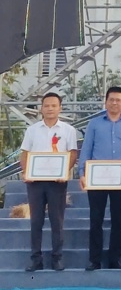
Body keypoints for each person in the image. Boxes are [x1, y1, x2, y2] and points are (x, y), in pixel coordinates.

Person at [78, 86, 121, 270]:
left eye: (118, 100)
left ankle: (115, 259)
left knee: (118, 221)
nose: (114, 103)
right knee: (96, 220)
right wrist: (82, 173)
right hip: (96, 179)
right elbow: (86, 148)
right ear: (105, 102)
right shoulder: (94, 124)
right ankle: (94, 260)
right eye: (111, 99)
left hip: (120, 180)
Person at [20, 92, 78, 272]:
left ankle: (56, 258)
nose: (50, 109)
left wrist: (65, 171)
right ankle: (36, 259)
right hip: (35, 182)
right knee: (36, 221)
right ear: (41, 109)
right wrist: (26, 171)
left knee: (56, 221)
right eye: (46, 105)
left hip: (57, 182)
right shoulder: (32, 130)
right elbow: (25, 153)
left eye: (54, 105)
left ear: (60, 108)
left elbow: (73, 153)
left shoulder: (68, 130)